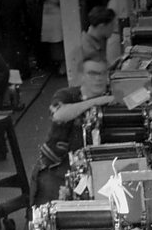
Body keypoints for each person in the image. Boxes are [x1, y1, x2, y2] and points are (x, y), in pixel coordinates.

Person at [33, 57, 118, 204]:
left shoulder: (112, 97)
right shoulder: (66, 94)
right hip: (59, 167)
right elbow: (59, 115)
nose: (98, 78)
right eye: (92, 73)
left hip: (98, 166)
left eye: (103, 73)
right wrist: (96, 101)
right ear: (81, 76)